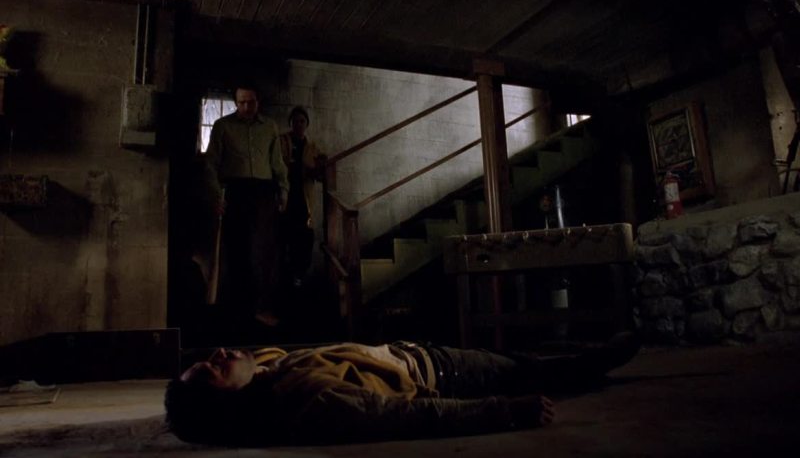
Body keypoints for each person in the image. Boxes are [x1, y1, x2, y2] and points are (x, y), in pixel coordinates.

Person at [164, 333, 639, 446]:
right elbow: (397, 416)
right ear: (228, 403)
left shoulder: (268, 370)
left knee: (524, 360)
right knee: (531, 372)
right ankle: (602, 360)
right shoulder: (304, 400)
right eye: (213, 370)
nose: (220, 353)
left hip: (417, 353)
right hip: (440, 375)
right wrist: (504, 412)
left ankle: (591, 359)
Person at [204, 83, 289, 327]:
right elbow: (210, 164)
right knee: (236, 250)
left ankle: (261, 308)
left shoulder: (269, 127)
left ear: (257, 102)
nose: (246, 107)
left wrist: (283, 190)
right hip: (235, 191)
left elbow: (278, 163)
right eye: (241, 102)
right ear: (236, 102)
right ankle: (237, 310)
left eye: (250, 102)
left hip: (263, 192)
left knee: (263, 252)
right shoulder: (223, 126)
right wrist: (216, 195)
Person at [279, 106, 327, 288]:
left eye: (302, 121)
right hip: (285, 198)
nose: (298, 124)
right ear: (290, 123)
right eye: (295, 121)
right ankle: (285, 278)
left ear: (307, 124)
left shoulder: (312, 147)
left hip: (304, 199)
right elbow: (278, 165)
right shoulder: (282, 142)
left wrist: (318, 169)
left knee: (305, 238)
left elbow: (320, 174)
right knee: (285, 238)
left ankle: (299, 276)